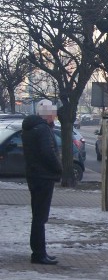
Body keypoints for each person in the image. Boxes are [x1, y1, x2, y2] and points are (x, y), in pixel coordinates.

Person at [21, 99, 63, 265]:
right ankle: (39, 253)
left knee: (37, 216)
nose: (54, 117)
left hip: (34, 175)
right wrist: (58, 168)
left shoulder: (30, 129)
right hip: (44, 177)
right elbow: (48, 152)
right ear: (47, 114)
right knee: (40, 217)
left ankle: (38, 251)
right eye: (52, 113)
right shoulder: (43, 130)